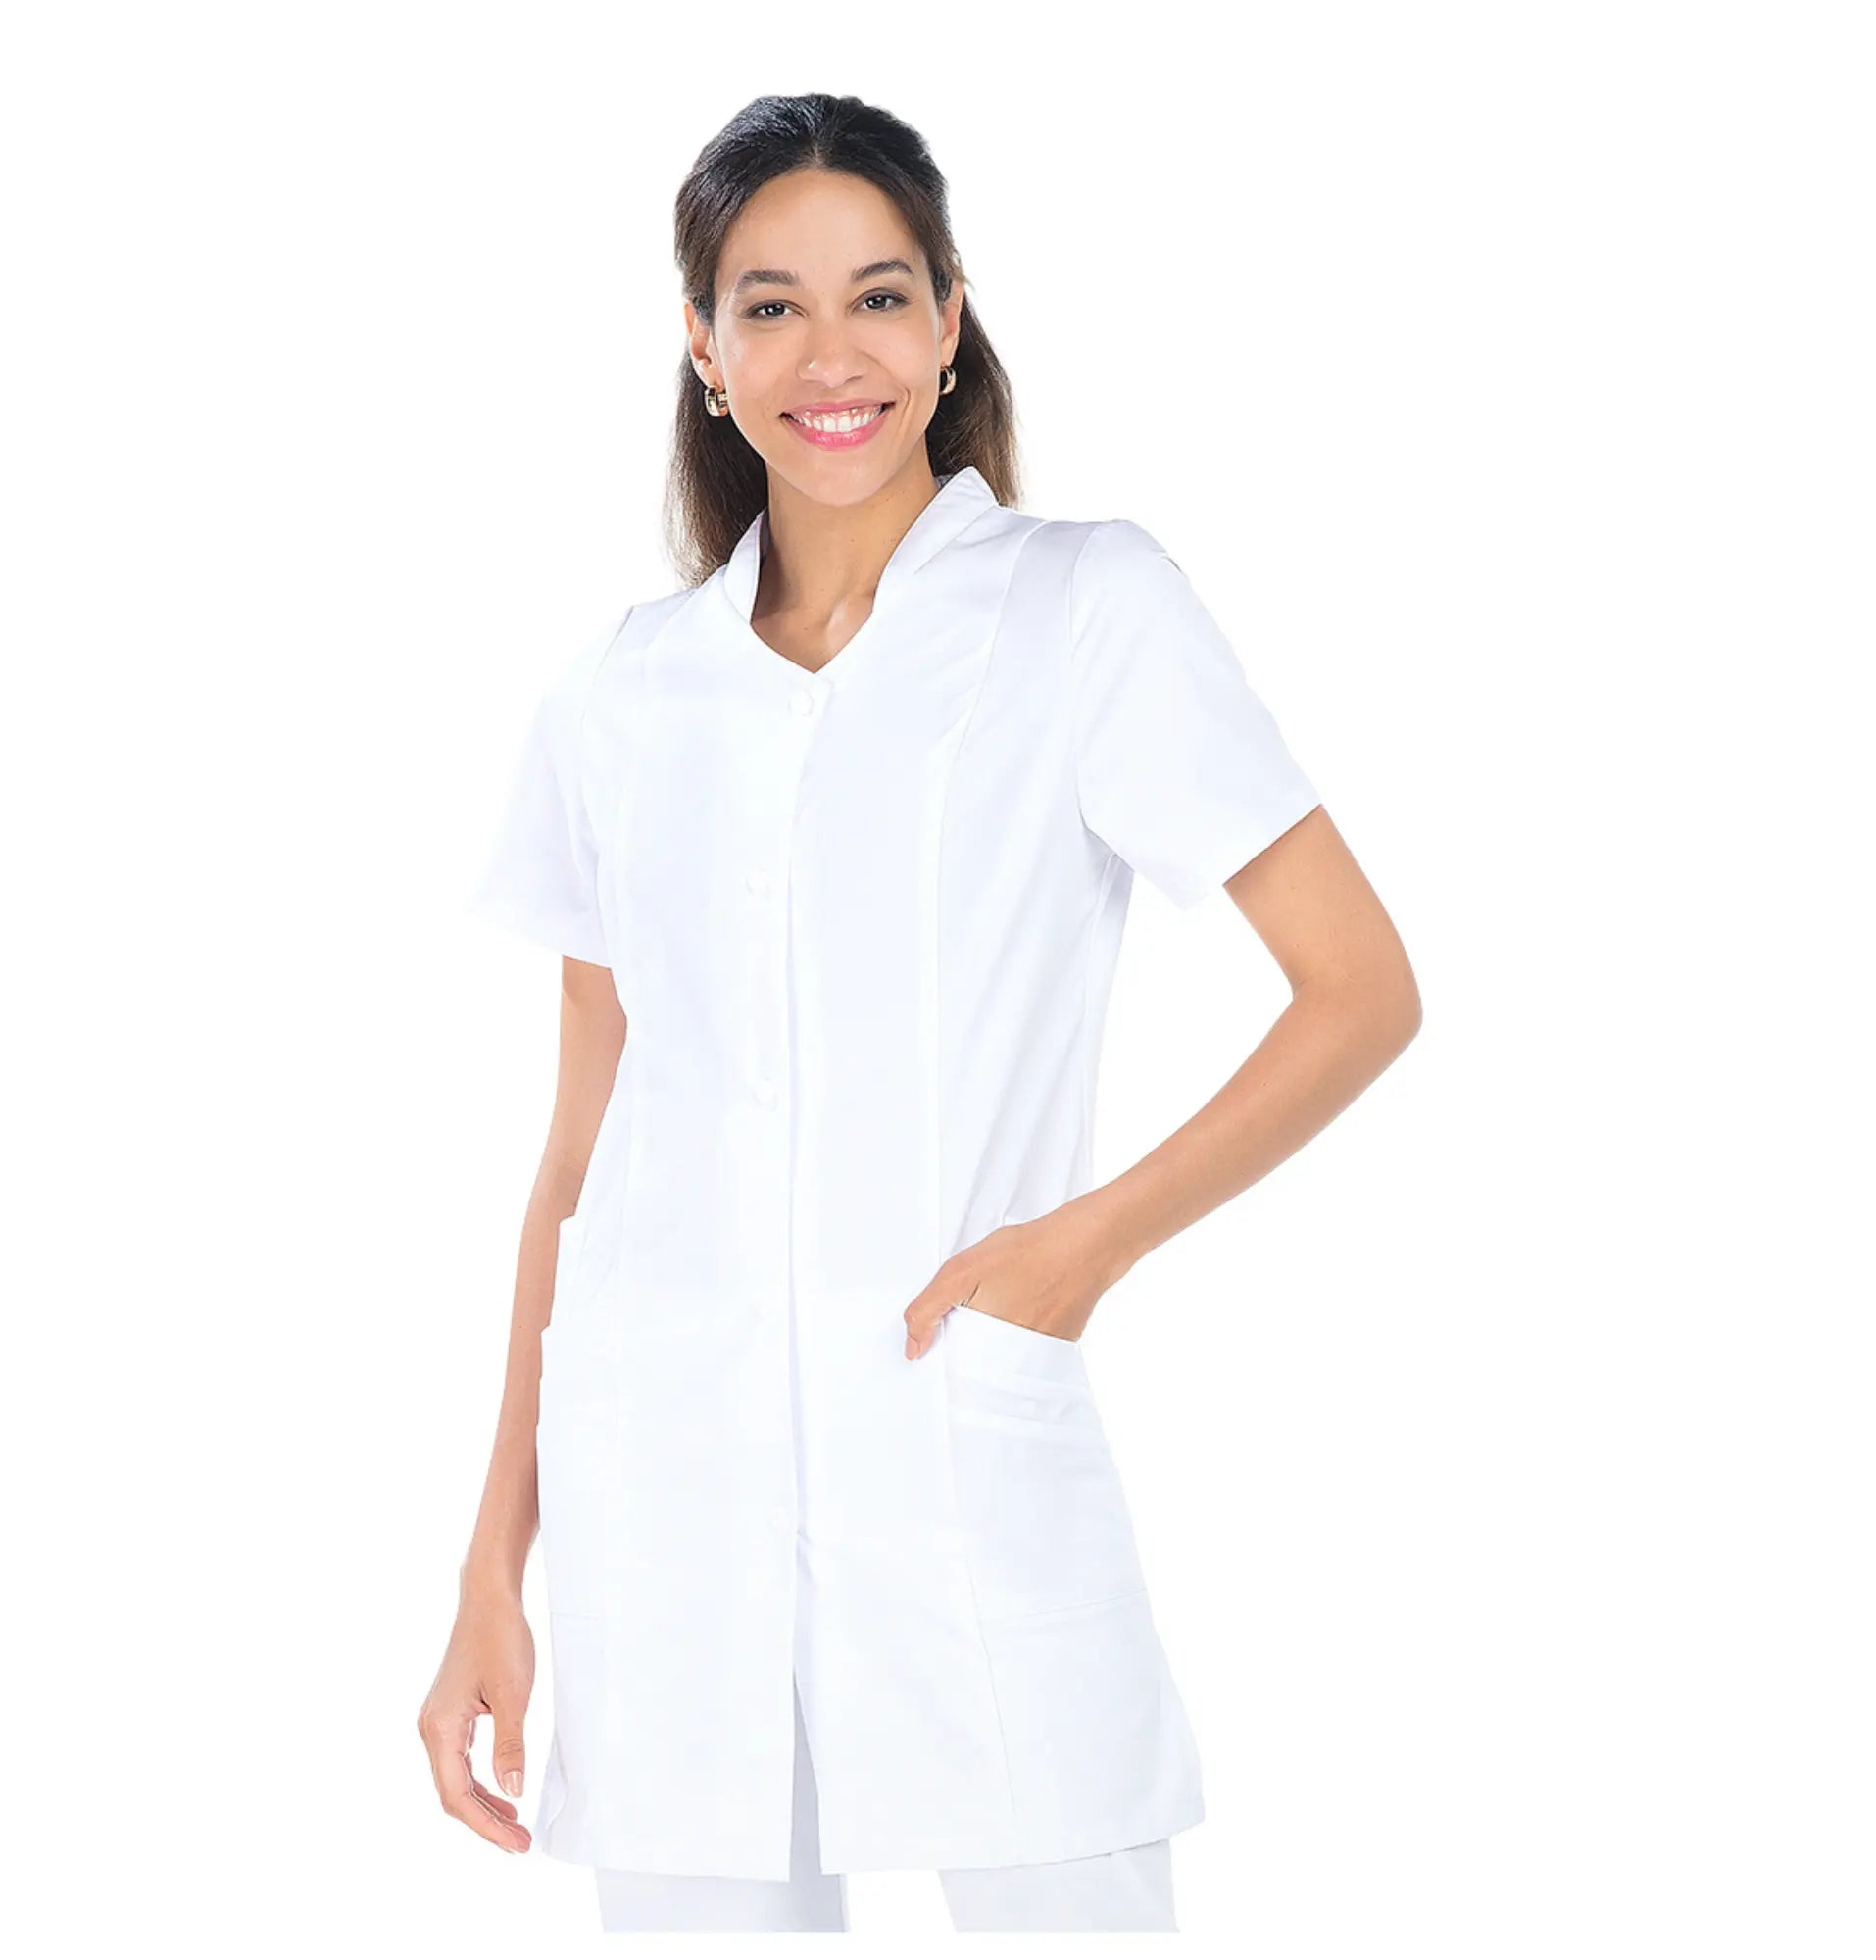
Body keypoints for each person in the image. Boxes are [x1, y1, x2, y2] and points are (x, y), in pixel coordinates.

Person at [419, 92, 1421, 1935]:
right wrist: (497, 1563)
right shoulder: (624, 698)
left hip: (962, 1444)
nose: (834, 357)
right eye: (772, 306)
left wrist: (1078, 1252)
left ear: (951, 320)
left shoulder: (1085, 610)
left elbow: (1359, 991)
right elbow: (578, 1163)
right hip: (667, 1502)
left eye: (879, 297)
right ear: (705, 348)